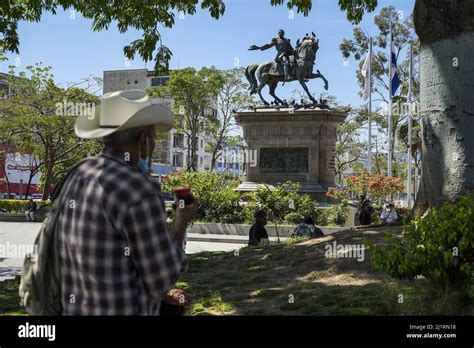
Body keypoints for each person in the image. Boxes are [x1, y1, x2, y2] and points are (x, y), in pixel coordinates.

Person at [58, 89, 197, 315]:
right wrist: (181, 222)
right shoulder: (139, 189)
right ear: (144, 141)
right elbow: (161, 279)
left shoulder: (78, 174)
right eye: (153, 140)